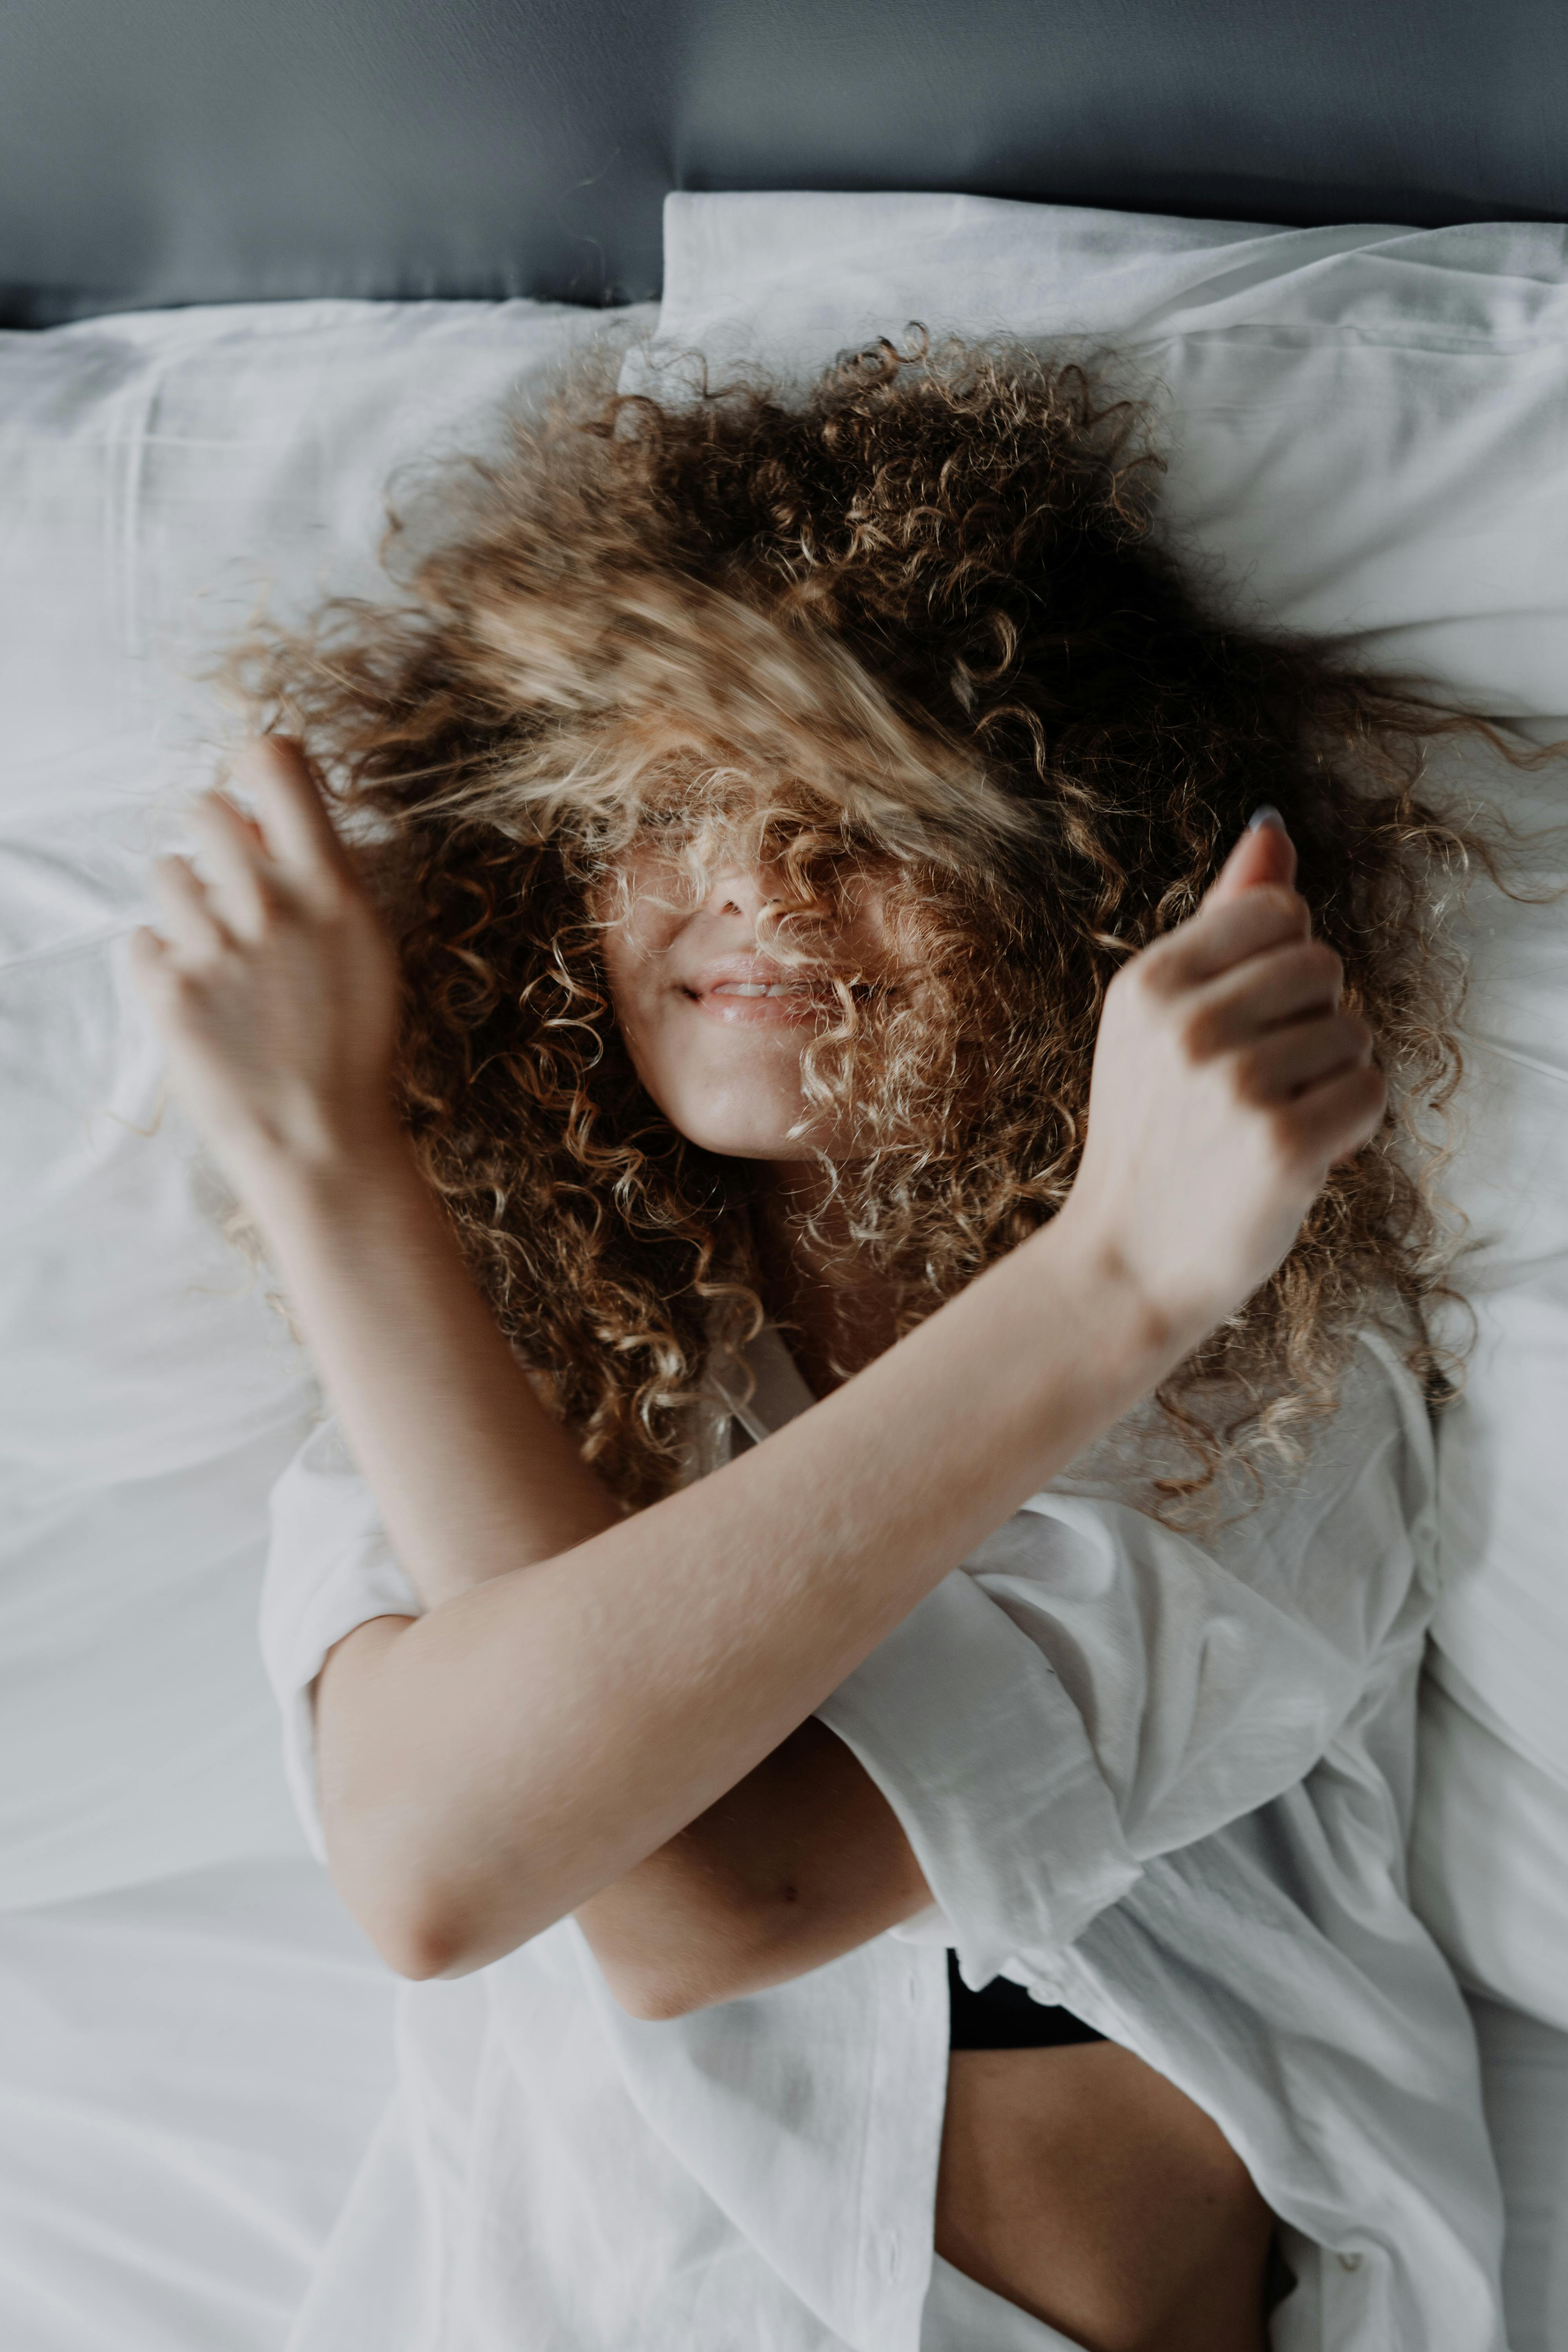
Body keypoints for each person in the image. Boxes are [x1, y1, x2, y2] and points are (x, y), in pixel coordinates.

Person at [131, 341, 1513, 2351]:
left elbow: (717, 1902)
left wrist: (1121, 1275)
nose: (760, 884)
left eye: (872, 812)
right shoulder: (485, 1367)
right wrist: (333, 1167)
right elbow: (439, 1865)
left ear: (1074, 885)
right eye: (665, 799)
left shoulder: (1256, 1378)